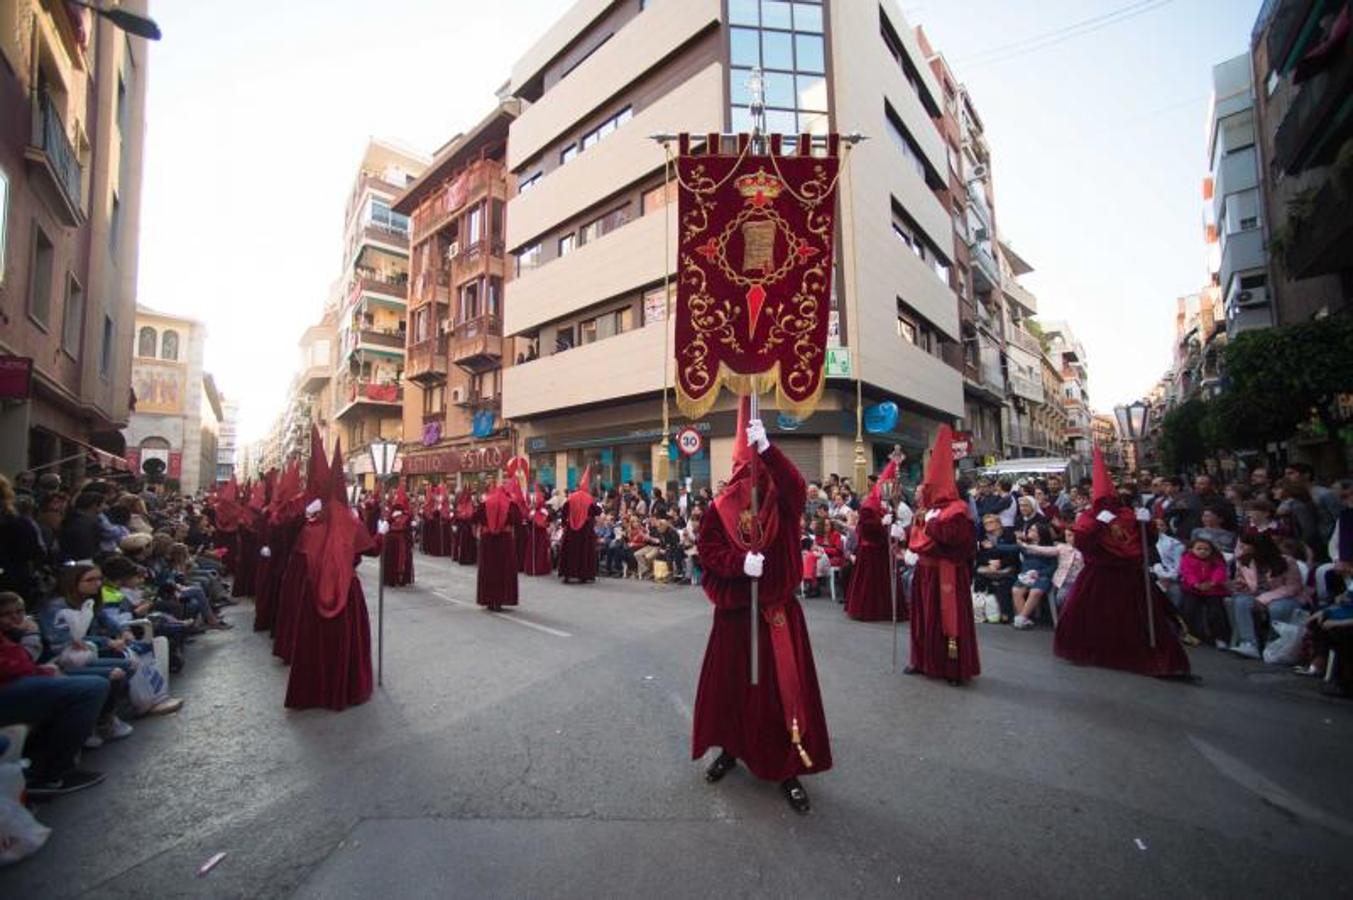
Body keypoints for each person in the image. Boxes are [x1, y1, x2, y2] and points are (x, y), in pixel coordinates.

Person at [692, 402, 831, 814]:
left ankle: (787, 766)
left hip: (776, 615)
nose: (750, 470)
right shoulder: (720, 508)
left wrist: (769, 448)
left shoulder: (781, 500)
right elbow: (708, 550)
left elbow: (797, 486)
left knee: (779, 694)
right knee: (732, 691)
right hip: (737, 615)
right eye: (746, 460)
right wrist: (739, 563)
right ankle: (732, 750)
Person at [1053, 449, 1190, 679]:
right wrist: (1097, 525)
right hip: (1101, 573)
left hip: (1126, 574)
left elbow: (1147, 542)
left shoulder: (1129, 514)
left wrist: (1148, 525)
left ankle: (1152, 657)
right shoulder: (1090, 518)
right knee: (1090, 614)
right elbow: (1083, 542)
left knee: (1137, 618)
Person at [284, 441, 375, 711]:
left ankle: (314, 691)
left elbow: (298, 552)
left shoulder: (310, 528)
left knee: (315, 642)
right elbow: (372, 551)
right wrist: (379, 530)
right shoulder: (352, 523)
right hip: (348, 591)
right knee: (343, 641)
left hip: (313, 592)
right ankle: (344, 689)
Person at [906, 426, 979, 685]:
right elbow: (917, 536)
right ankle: (923, 660)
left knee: (948, 619)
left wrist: (929, 525)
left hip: (946, 571)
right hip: (925, 572)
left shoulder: (956, 511)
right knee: (924, 618)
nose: (924, 491)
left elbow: (958, 542)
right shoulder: (929, 510)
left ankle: (952, 666)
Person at [1224, 532, 1309, 660]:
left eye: (1247, 546)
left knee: (1277, 608)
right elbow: (1244, 583)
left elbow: (1293, 587)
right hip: (1255, 595)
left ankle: (1272, 642)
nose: (1243, 548)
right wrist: (1238, 585)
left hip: (1284, 597)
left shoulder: (1287, 562)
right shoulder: (1244, 561)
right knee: (1241, 601)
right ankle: (1249, 643)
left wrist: (1263, 599)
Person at [844, 458, 903, 622]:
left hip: (883, 549)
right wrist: (881, 523)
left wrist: (893, 524)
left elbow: (891, 522)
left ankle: (889, 609)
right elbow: (866, 528)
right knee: (871, 584)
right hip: (871, 550)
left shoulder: (886, 504)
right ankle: (870, 610)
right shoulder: (869, 505)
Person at [473, 481, 521, 611]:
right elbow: (518, 521)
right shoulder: (511, 505)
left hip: (487, 541)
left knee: (488, 569)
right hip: (505, 541)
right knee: (503, 570)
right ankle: (500, 600)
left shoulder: (484, 504)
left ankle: (489, 599)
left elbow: (474, 518)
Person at [1178, 538, 1230, 649]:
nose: (1202, 551)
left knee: (1216, 612)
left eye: (1206, 549)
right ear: (1192, 549)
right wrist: (1196, 584)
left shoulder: (1217, 560)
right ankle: (1191, 635)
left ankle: (1219, 637)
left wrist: (1212, 583)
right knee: (1189, 609)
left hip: (1213, 590)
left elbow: (1220, 572)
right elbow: (1187, 573)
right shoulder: (1186, 559)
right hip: (1192, 589)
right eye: (1199, 548)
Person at [558, 468, 601, 584]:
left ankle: (567, 574)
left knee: (570, 551)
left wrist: (563, 523)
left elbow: (564, 511)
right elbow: (597, 511)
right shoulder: (589, 498)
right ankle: (584, 575)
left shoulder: (571, 497)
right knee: (584, 551)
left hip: (571, 528)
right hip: (585, 530)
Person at [381, 484, 416, 587]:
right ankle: (400, 578)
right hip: (400, 540)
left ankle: (391, 578)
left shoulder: (391, 513)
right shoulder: (405, 515)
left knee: (393, 559)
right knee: (400, 559)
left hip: (391, 540)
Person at [521, 484, 554, 576]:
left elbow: (547, 521)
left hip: (540, 533)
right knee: (537, 549)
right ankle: (535, 568)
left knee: (540, 550)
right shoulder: (535, 511)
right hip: (536, 533)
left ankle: (540, 568)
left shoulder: (543, 511)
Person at [452, 486, 478, 565]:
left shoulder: (468, 503)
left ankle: (467, 558)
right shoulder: (462, 503)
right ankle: (465, 558)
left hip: (467, 526)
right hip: (463, 526)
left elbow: (469, 514)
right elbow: (461, 514)